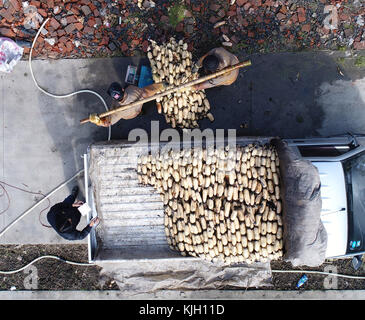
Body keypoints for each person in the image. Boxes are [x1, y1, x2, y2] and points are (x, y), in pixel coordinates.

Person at [90, 82, 166, 127]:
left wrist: (98, 121)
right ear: (123, 89)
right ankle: (162, 85)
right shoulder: (132, 89)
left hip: (132, 114)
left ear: (114, 99)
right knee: (145, 93)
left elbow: (107, 123)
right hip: (139, 104)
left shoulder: (117, 110)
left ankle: (141, 112)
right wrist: (160, 86)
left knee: (136, 112)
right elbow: (145, 93)